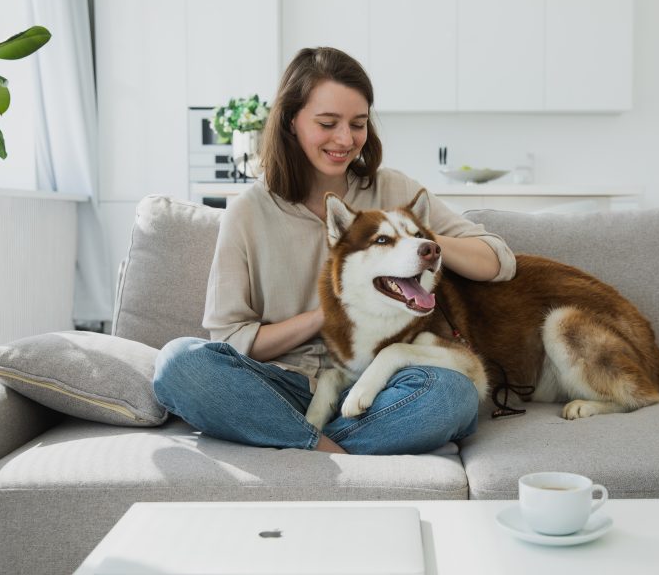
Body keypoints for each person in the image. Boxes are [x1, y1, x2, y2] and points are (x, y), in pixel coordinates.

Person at [153, 47, 516, 455]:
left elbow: (497, 260)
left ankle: (303, 446)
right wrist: (325, 314)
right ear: (292, 121)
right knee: (178, 363)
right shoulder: (247, 213)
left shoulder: (392, 191)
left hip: (381, 385)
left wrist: (410, 240)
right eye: (328, 123)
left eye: (358, 124)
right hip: (284, 386)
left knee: (451, 394)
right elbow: (233, 339)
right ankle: (328, 447)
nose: (345, 140)